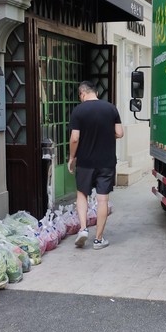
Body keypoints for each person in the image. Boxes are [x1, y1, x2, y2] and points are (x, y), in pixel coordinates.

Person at [67, 81, 123, 250]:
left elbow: (75, 138)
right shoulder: (111, 108)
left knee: (82, 194)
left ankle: (83, 229)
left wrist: (71, 157)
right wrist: (105, 134)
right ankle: (98, 240)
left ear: (82, 94)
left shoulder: (78, 111)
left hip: (85, 162)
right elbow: (119, 133)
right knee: (102, 199)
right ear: (96, 93)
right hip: (106, 162)